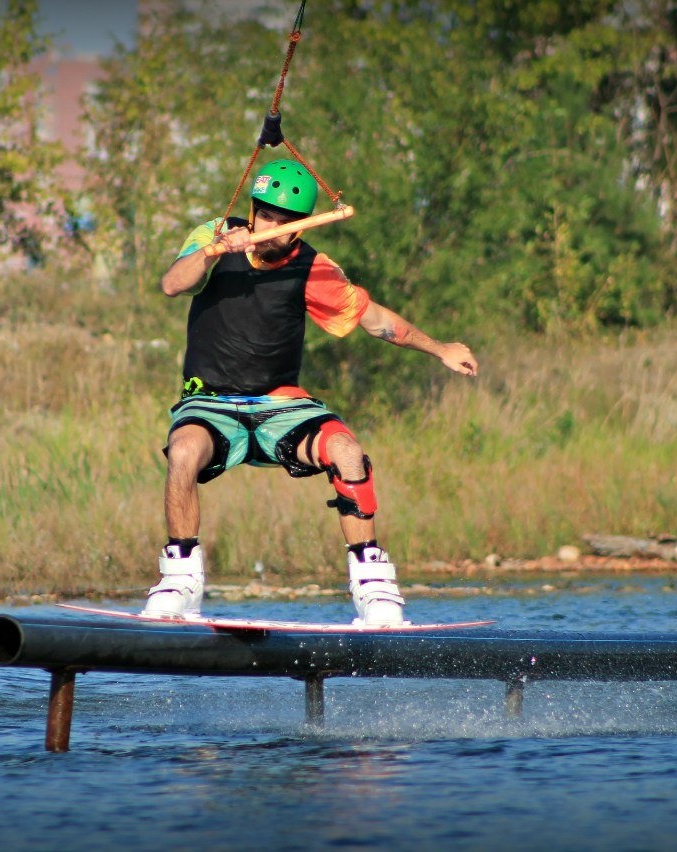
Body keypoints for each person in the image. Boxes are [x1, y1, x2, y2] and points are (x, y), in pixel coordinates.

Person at [144, 159, 478, 626]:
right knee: (183, 451)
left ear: (301, 226)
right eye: (265, 215)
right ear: (253, 209)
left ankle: (373, 586)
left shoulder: (313, 267)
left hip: (282, 405)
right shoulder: (214, 233)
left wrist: (439, 348)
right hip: (212, 402)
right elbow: (173, 283)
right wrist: (217, 249)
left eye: (284, 221)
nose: (271, 227)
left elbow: (375, 319)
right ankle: (181, 579)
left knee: (347, 450)